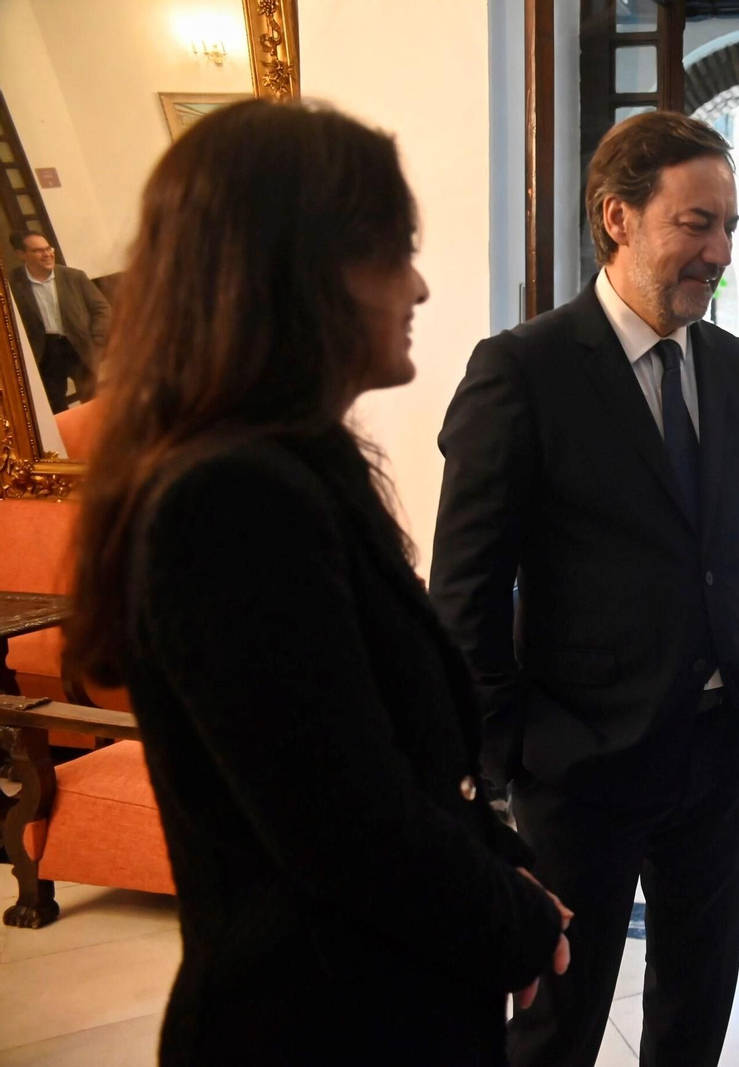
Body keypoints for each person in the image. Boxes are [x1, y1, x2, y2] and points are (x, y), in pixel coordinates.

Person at [62, 100, 570, 1066]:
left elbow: (400, 766)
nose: (419, 286)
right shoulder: (231, 497)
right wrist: (510, 916)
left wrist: (506, 871)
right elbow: (345, 825)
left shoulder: (298, 466)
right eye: (394, 253)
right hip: (313, 1025)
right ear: (299, 271)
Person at [430, 111, 739, 1067]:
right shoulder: (522, 371)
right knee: (558, 1018)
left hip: (724, 753)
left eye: (728, 227)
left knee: (695, 1009)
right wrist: (507, 754)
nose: (718, 250)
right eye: (695, 224)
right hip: (580, 766)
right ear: (618, 218)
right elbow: (466, 592)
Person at [8, 231, 109, 412]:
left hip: (78, 346)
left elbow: (102, 310)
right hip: (45, 351)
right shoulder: (13, 284)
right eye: (38, 251)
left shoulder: (74, 277)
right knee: (55, 406)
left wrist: (96, 341)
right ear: (21, 254)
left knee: (92, 401)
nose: (47, 254)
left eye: (48, 248)